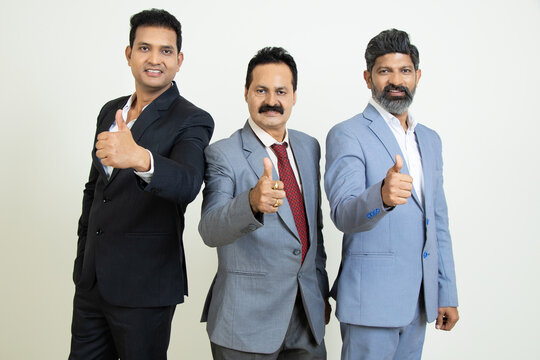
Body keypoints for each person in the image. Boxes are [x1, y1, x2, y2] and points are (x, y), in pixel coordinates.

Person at [69, 9, 214, 359]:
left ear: (179, 61)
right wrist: (82, 259)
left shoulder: (192, 119)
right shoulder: (110, 111)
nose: (155, 59)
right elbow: (96, 190)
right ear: (129, 54)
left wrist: (141, 159)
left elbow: (188, 182)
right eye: (145, 48)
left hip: (145, 288)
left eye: (166, 51)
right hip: (92, 283)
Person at [324, 29, 459, 359]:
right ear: (368, 77)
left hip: (419, 302)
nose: (396, 80)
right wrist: (381, 197)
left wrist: (446, 290)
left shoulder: (430, 139)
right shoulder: (347, 134)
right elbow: (343, 213)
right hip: (370, 303)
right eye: (385, 71)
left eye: (405, 71)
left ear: (418, 76)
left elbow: (437, 222)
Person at [199, 46, 330, 360]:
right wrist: (252, 203)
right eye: (261, 90)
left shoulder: (309, 147)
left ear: (294, 96)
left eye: (281, 91)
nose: (272, 101)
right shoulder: (223, 154)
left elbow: (313, 227)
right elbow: (210, 229)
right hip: (245, 325)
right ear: (246, 93)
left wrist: (320, 293)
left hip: (306, 317)